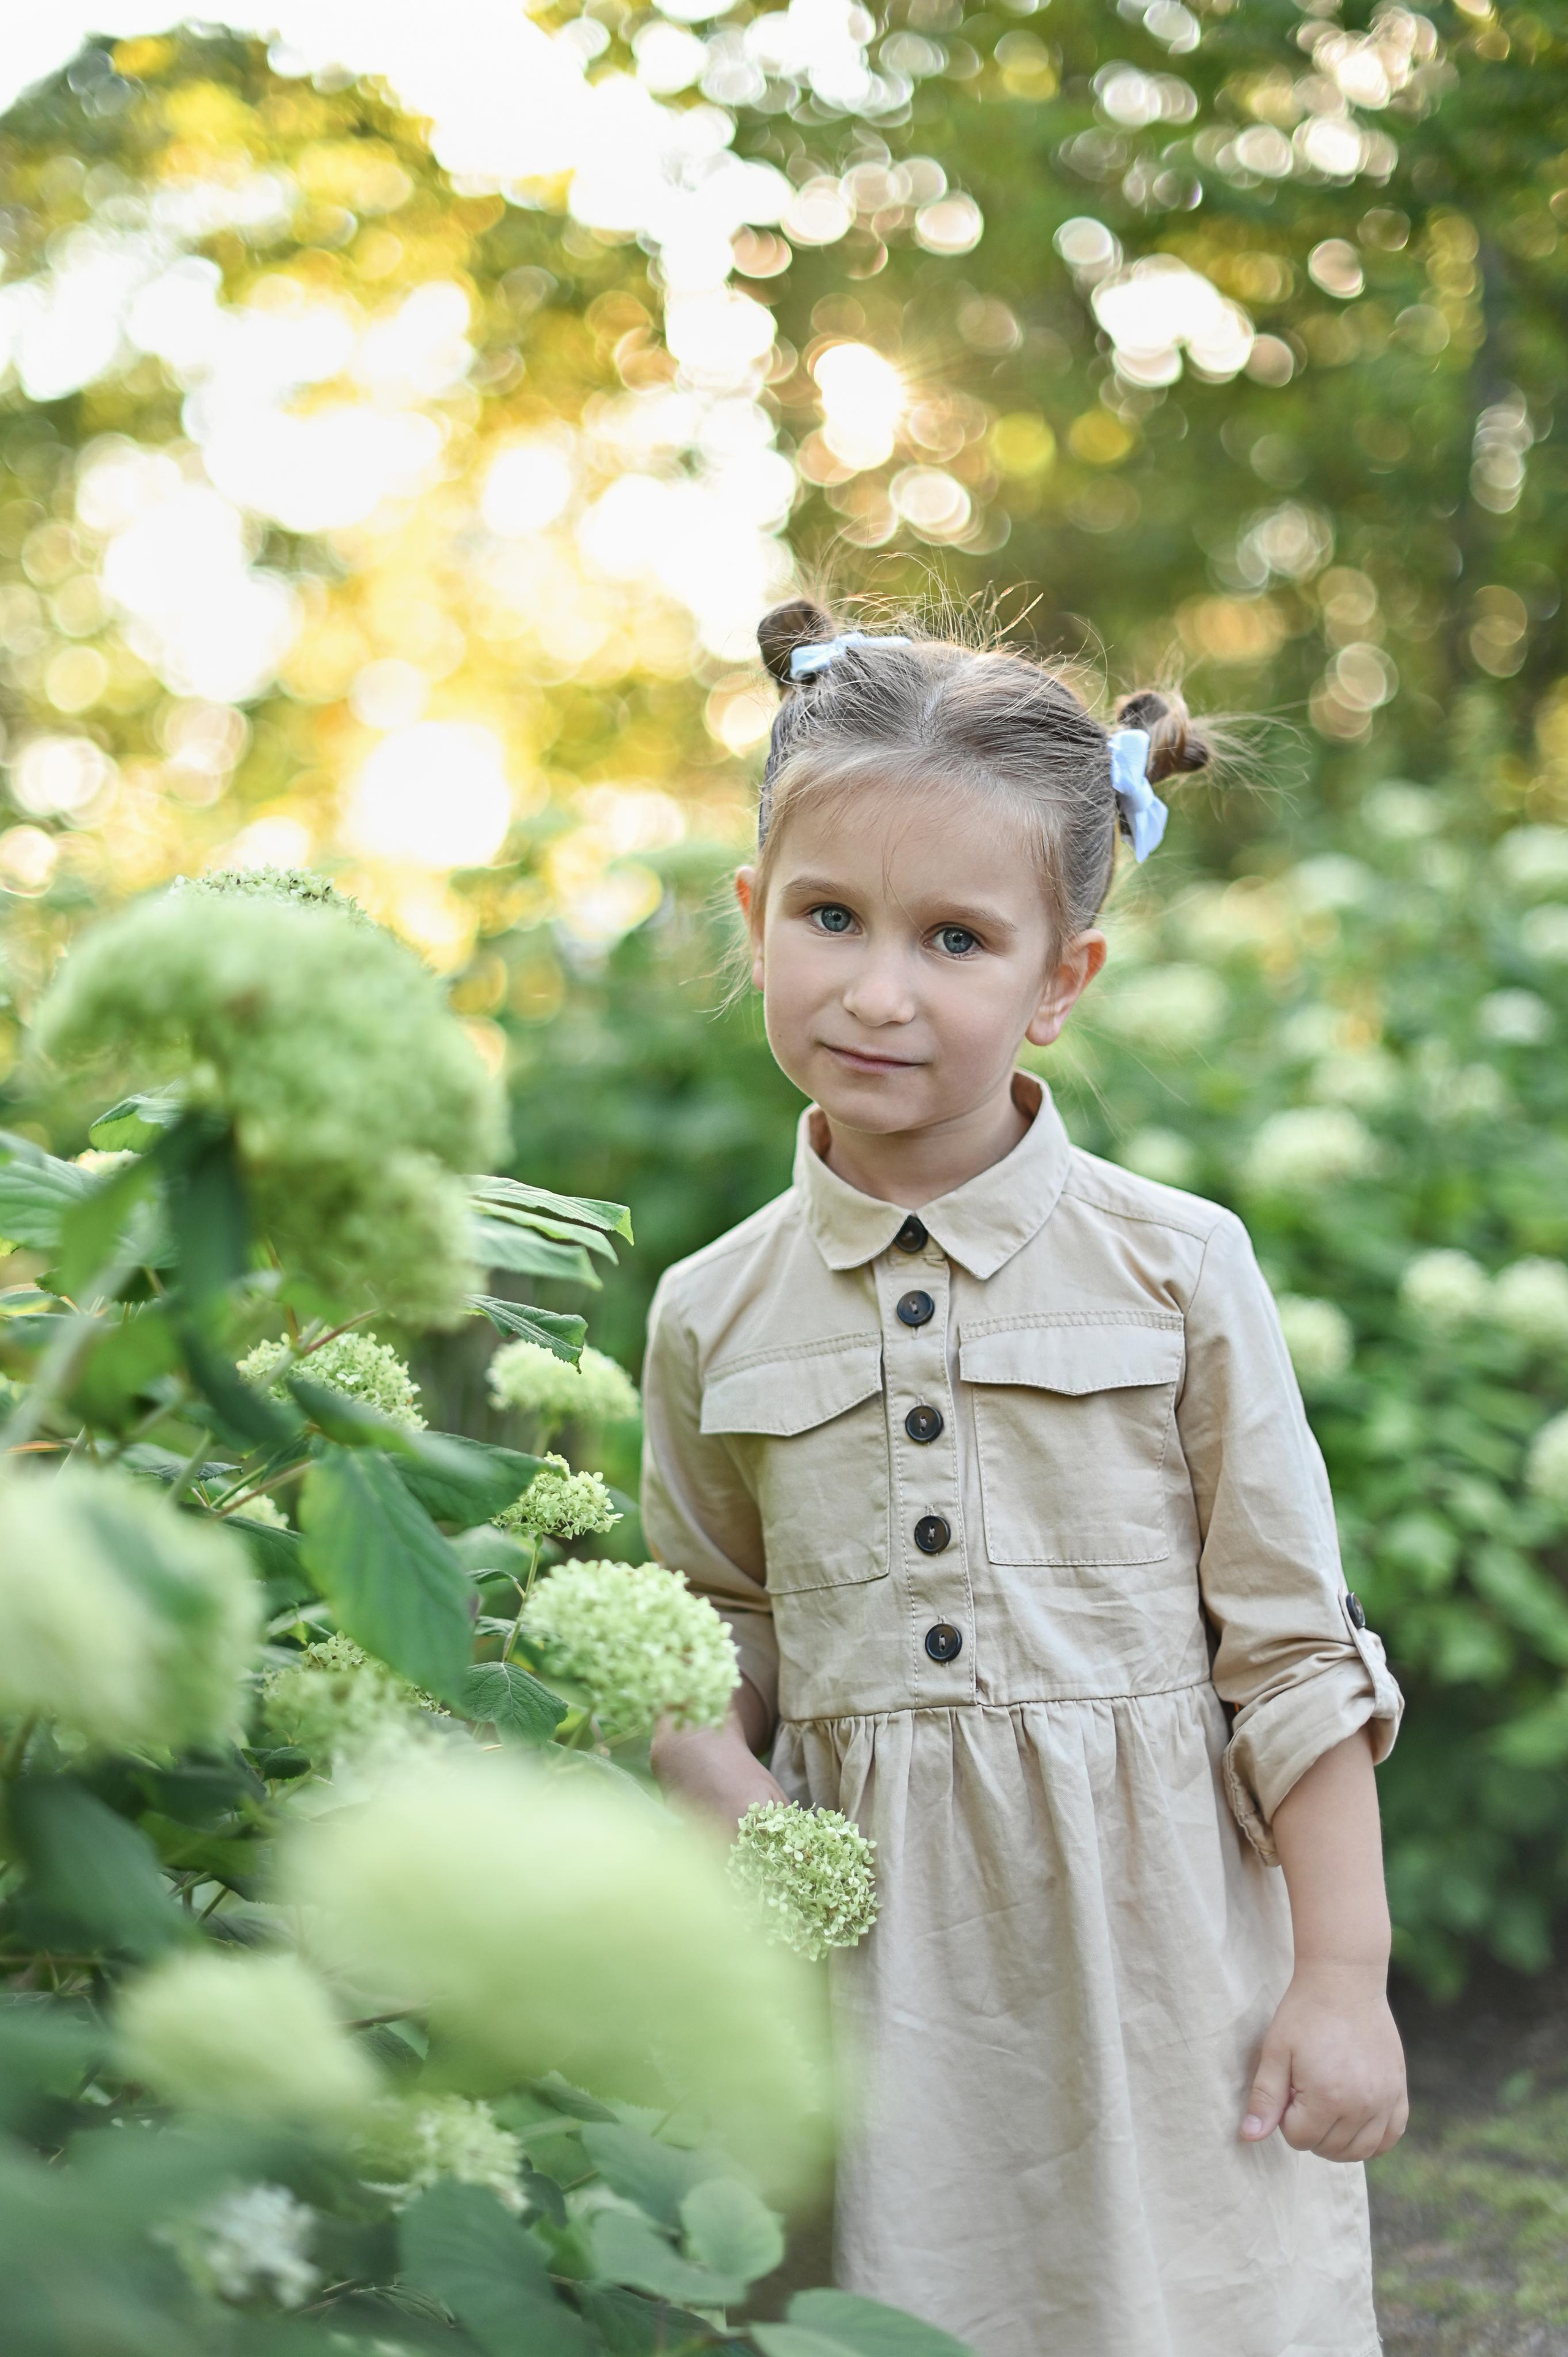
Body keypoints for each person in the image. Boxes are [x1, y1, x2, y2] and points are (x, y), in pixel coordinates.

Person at [643, 599, 1408, 2357]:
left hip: (1158, 1962)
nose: (879, 988)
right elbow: (705, 1624)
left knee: (1189, 2304)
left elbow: (1294, 1658)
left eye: (958, 938)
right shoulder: (713, 1310)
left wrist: (1341, 1982)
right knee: (893, 2303)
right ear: (757, 922)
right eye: (829, 918)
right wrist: (714, 1783)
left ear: (1062, 979)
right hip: (872, 1956)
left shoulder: (1176, 1270)